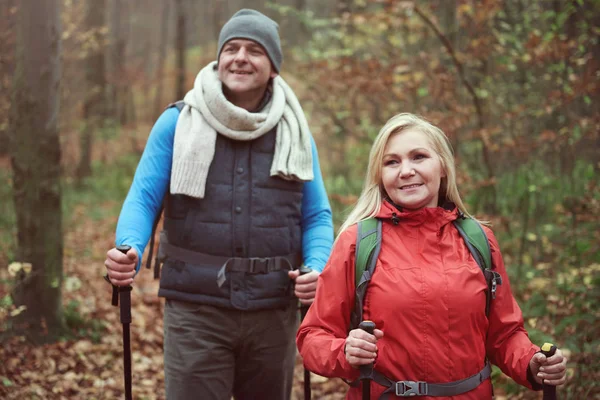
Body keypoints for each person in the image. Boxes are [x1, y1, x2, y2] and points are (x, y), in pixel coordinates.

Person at [104, 9, 334, 400]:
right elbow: (143, 198)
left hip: (273, 310)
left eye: (255, 50)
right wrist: (130, 247)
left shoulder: (295, 132)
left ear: (274, 67)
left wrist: (316, 267)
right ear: (218, 59)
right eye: (231, 48)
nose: (241, 57)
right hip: (196, 311)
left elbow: (316, 216)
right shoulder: (177, 123)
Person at [296, 113, 567, 399]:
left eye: (419, 157)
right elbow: (313, 336)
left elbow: (504, 335)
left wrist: (533, 363)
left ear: (443, 167)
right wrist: (345, 352)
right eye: (392, 162)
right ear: (380, 175)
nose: (405, 171)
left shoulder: (478, 240)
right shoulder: (357, 242)